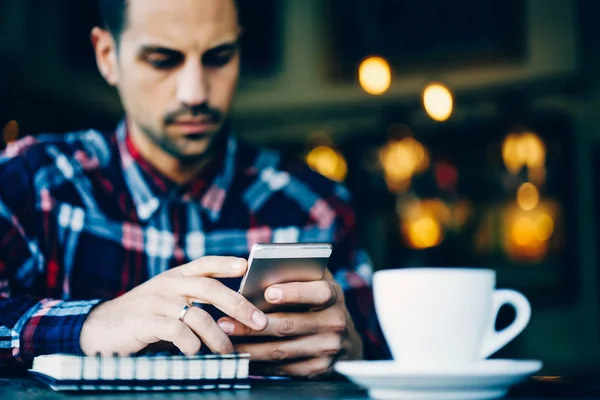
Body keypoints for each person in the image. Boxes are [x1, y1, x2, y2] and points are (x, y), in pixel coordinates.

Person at [0, 0, 388, 377]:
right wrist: (92, 323)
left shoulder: (316, 208)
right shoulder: (31, 185)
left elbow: (383, 351)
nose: (195, 93)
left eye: (219, 57)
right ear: (106, 55)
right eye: (163, 60)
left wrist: (352, 353)